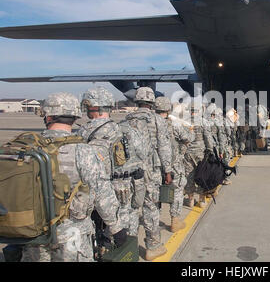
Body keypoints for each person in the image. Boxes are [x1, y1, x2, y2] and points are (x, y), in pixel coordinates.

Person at [21, 92, 125, 262]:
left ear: (47, 116)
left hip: (34, 234)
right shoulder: (83, 151)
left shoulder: (29, 148)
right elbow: (102, 193)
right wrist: (116, 227)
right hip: (72, 234)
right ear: (75, 116)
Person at [78, 87, 140, 239]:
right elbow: (141, 153)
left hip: (90, 190)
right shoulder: (125, 130)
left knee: (94, 224)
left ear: (93, 107)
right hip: (121, 187)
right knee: (123, 219)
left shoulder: (82, 133)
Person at [128, 87, 173, 261]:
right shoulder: (157, 121)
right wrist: (167, 171)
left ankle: (130, 249)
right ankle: (153, 246)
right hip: (151, 172)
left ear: (137, 101)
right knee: (150, 207)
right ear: (152, 103)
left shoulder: (126, 121)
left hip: (130, 173)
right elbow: (164, 147)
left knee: (131, 210)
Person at [155, 97, 194, 232]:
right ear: (167, 109)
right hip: (172, 165)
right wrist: (190, 130)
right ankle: (175, 221)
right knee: (177, 189)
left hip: (153, 167)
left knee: (152, 195)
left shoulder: (148, 124)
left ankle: (153, 227)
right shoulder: (172, 125)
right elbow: (189, 138)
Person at [184, 101, 214, 208]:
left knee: (189, 175)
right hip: (200, 152)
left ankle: (191, 199)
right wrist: (210, 150)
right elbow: (208, 138)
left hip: (187, 153)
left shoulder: (185, 122)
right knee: (202, 175)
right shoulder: (203, 122)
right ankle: (201, 200)